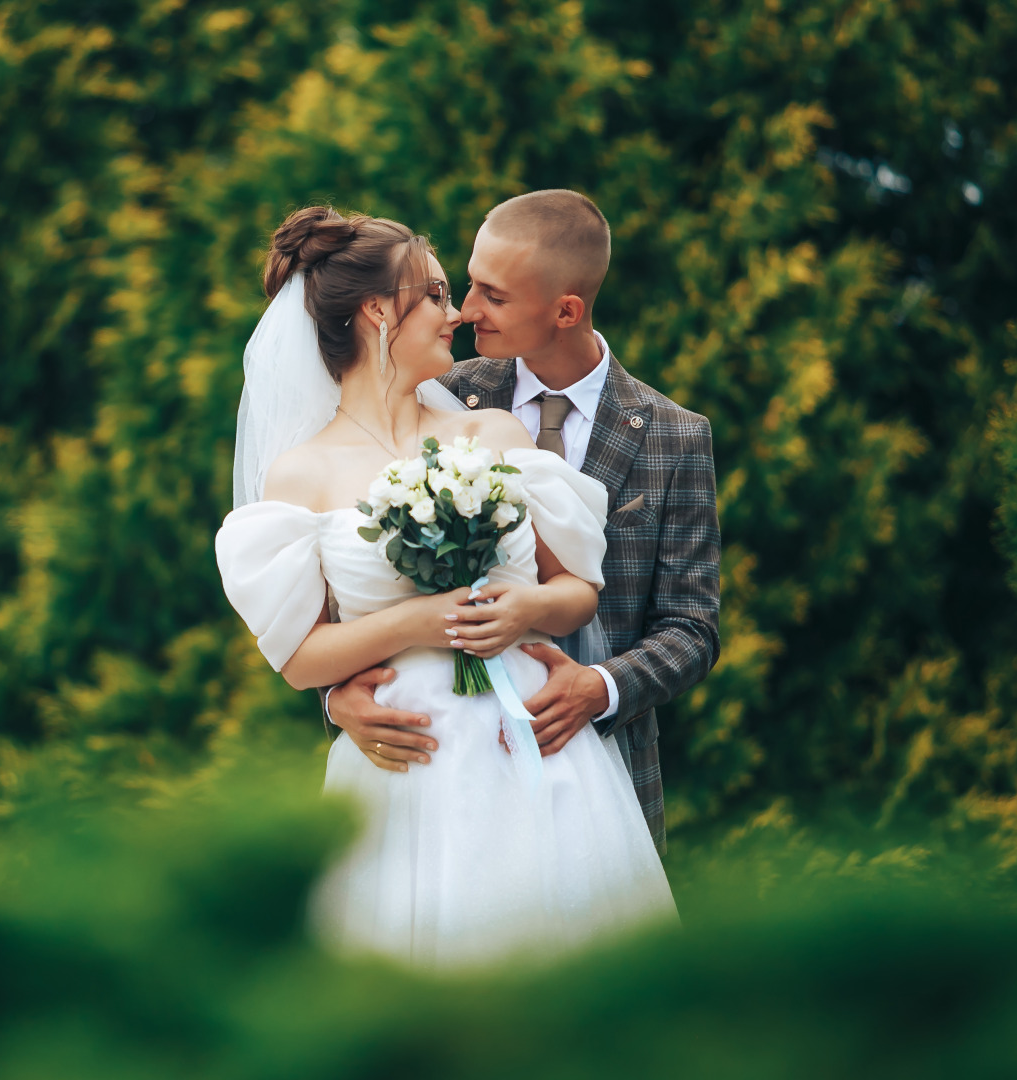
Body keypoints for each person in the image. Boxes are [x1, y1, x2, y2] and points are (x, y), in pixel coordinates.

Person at [216, 206, 675, 969]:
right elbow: (300, 657)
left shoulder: (492, 434)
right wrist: (419, 624)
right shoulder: (301, 472)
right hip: (406, 767)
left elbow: (576, 592)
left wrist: (527, 609)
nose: (456, 313)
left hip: (534, 744)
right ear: (374, 311)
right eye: (433, 294)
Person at [323, 191, 722, 856]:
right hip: (435, 772)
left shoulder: (674, 437)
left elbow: (692, 624)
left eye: (493, 295)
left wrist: (598, 689)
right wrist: (340, 698)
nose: (465, 310)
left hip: (601, 774)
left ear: (566, 309)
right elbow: (354, 575)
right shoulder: (443, 396)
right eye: (468, 284)